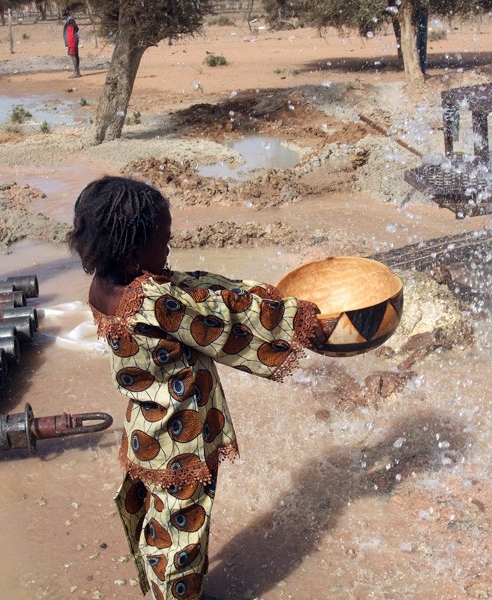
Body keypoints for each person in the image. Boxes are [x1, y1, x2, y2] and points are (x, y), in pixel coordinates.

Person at [67, 176, 327, 600]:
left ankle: (159, 584)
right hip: (179, 440)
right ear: (133, 256)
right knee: (184, 533)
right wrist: (295, 321)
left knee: (161, 519)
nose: (168, 251)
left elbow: (188, 286)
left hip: (147, 429)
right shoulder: (153, 301)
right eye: (163, 243)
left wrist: (255, 292)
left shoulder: (106, 286)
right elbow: (219, 323)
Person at [62, 12, 81, 78]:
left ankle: (76, 72)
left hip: (72, 39)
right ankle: (77, 72)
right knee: (75, 55)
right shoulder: (70, 20)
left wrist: (72, 33)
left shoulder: (70, 20)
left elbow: (77, 28)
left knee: (73, 55)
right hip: (72, 39)